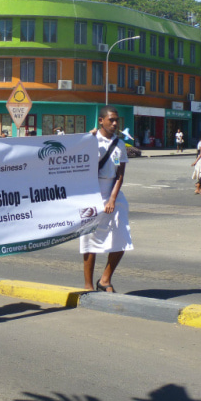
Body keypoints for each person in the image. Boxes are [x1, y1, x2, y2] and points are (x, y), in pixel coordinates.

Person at [81, 106, 132, 293]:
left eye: (117, 120)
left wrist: (112, 199)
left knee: (121, 238)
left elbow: (120, 174)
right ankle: (88, 285)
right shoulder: (90, 141)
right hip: (91, 192)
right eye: (111, 120)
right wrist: (87, 139)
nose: (115, 123)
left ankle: (105, 280)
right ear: (101, 121)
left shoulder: (119, 144)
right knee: (89, 239)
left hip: (113, 193)